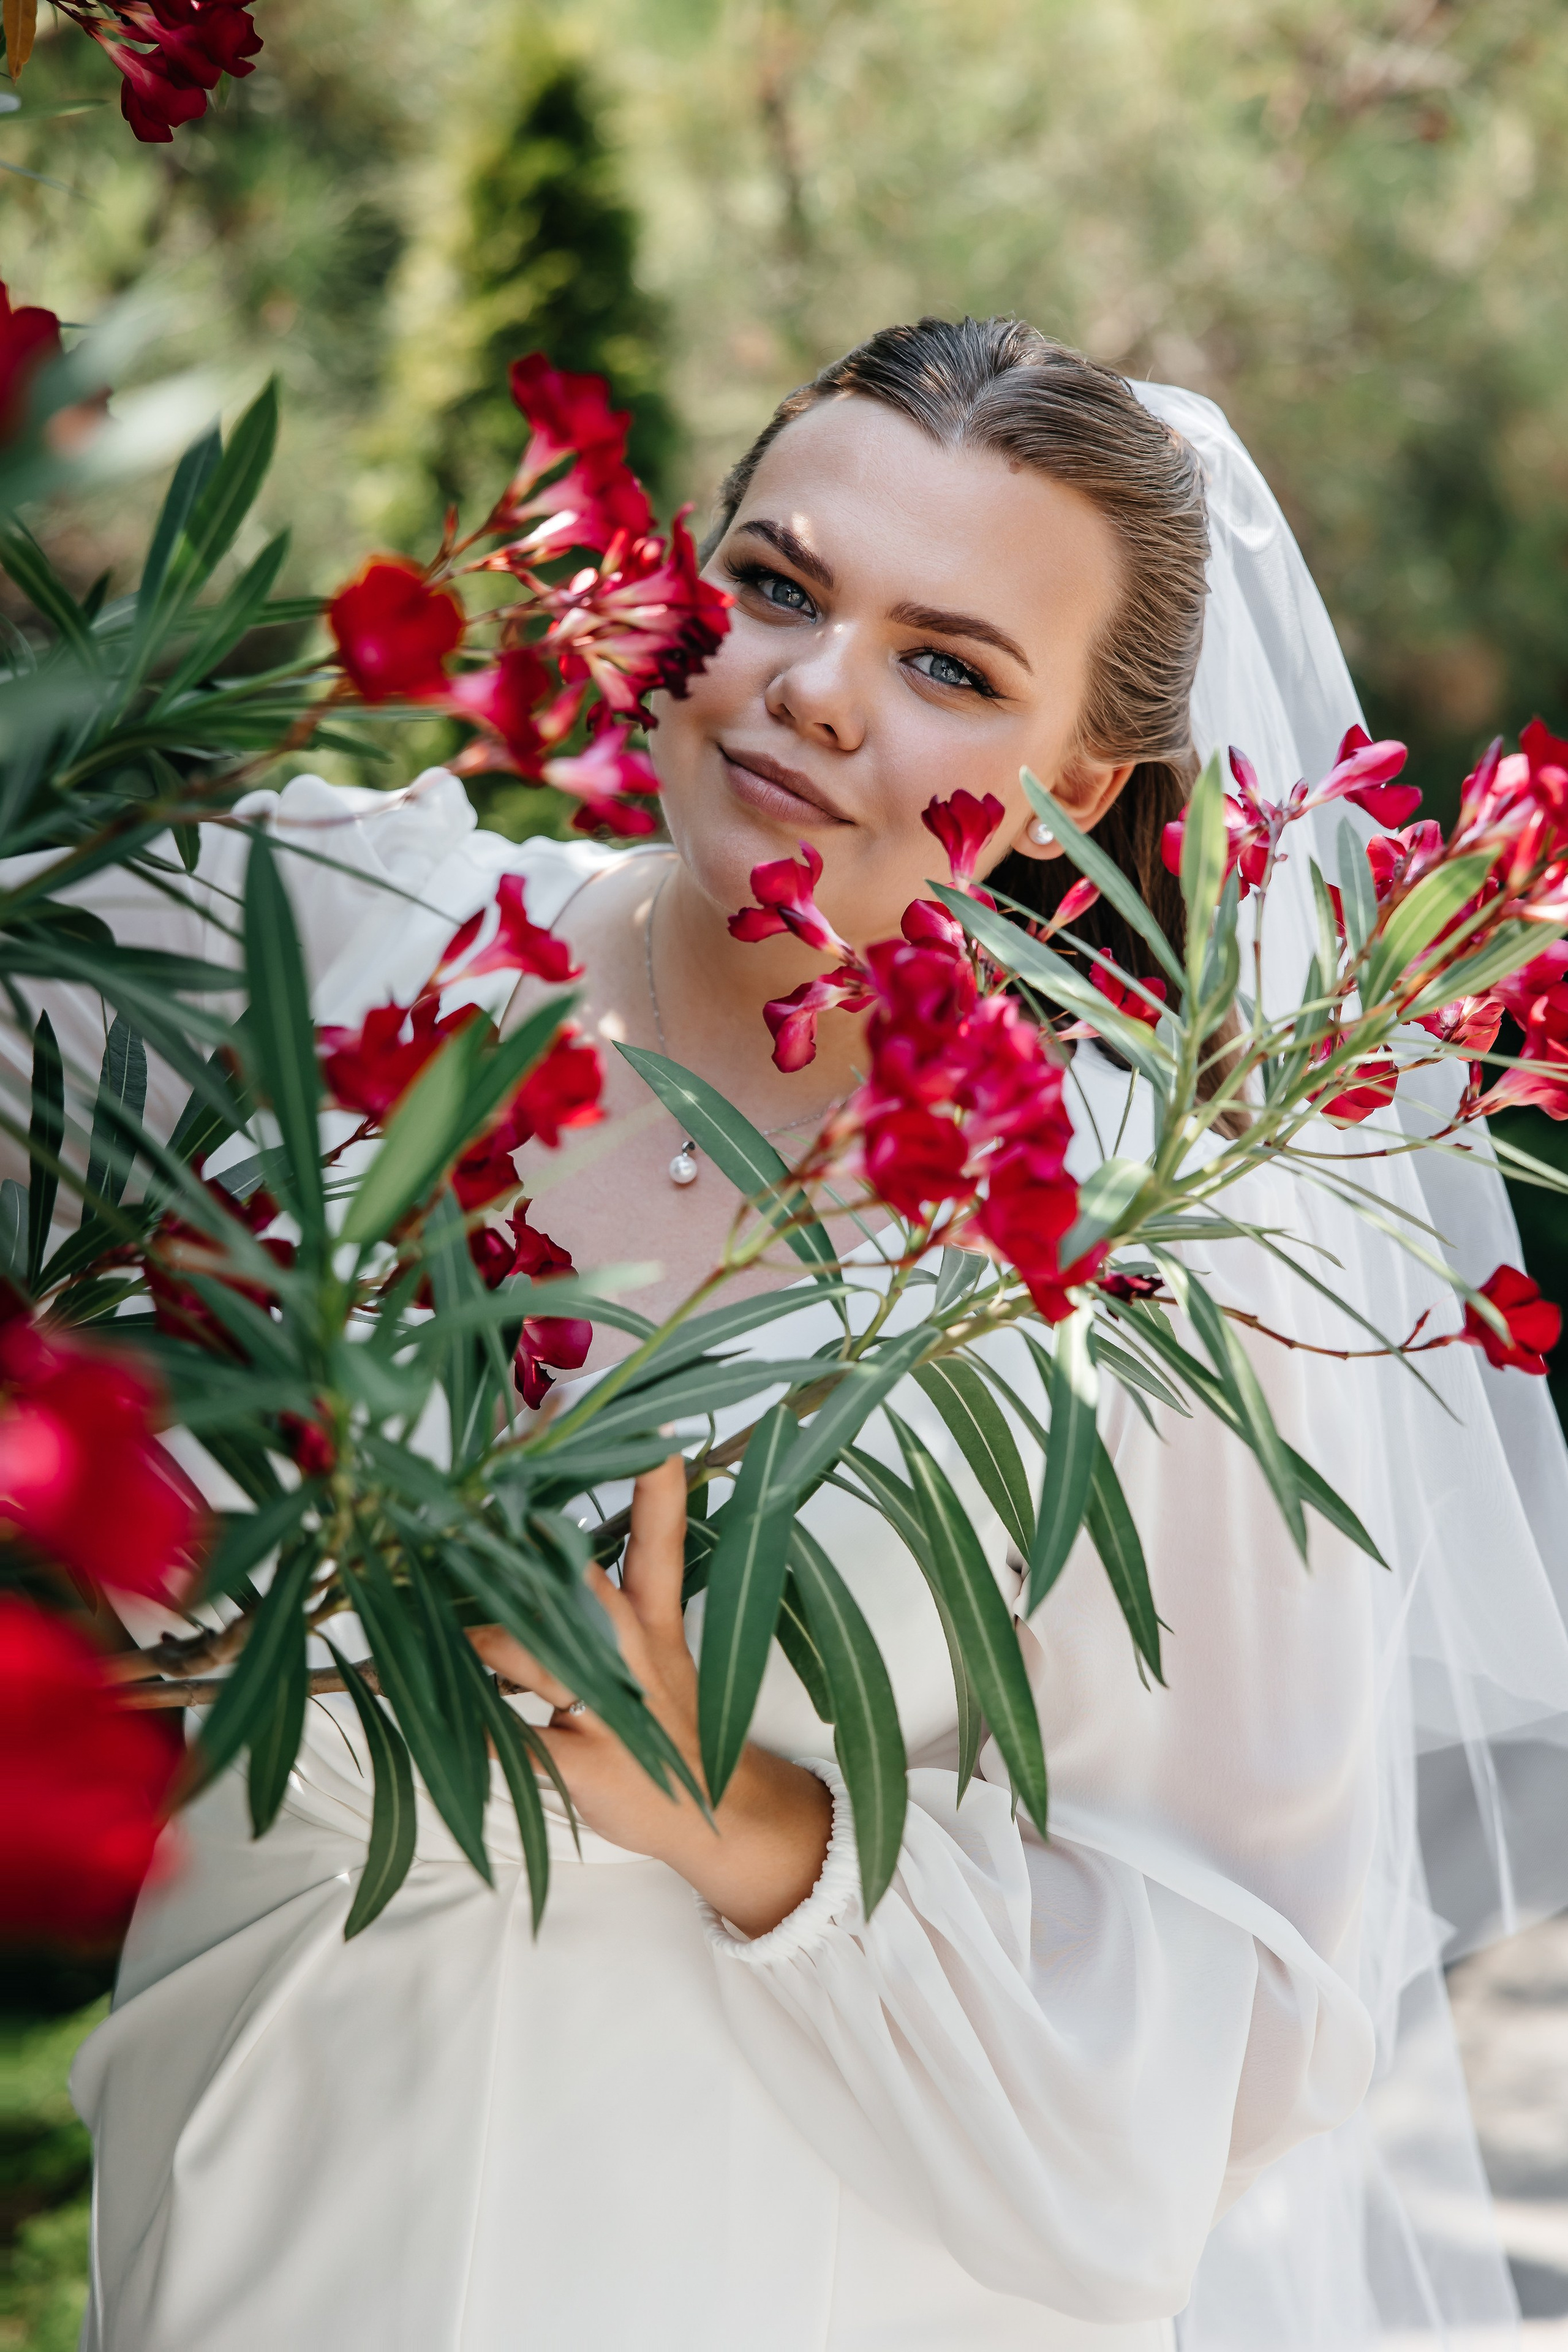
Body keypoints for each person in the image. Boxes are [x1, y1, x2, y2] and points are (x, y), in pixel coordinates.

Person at [41, 318, 1568, 2348]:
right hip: (265, 2200)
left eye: (951, 667)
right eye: (779, 585)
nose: (817, 693)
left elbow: (1242, 2016)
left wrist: (732, 1807)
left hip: (776, 2263)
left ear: (1075, 790)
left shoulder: (1133, 1258)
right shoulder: (321, 933)